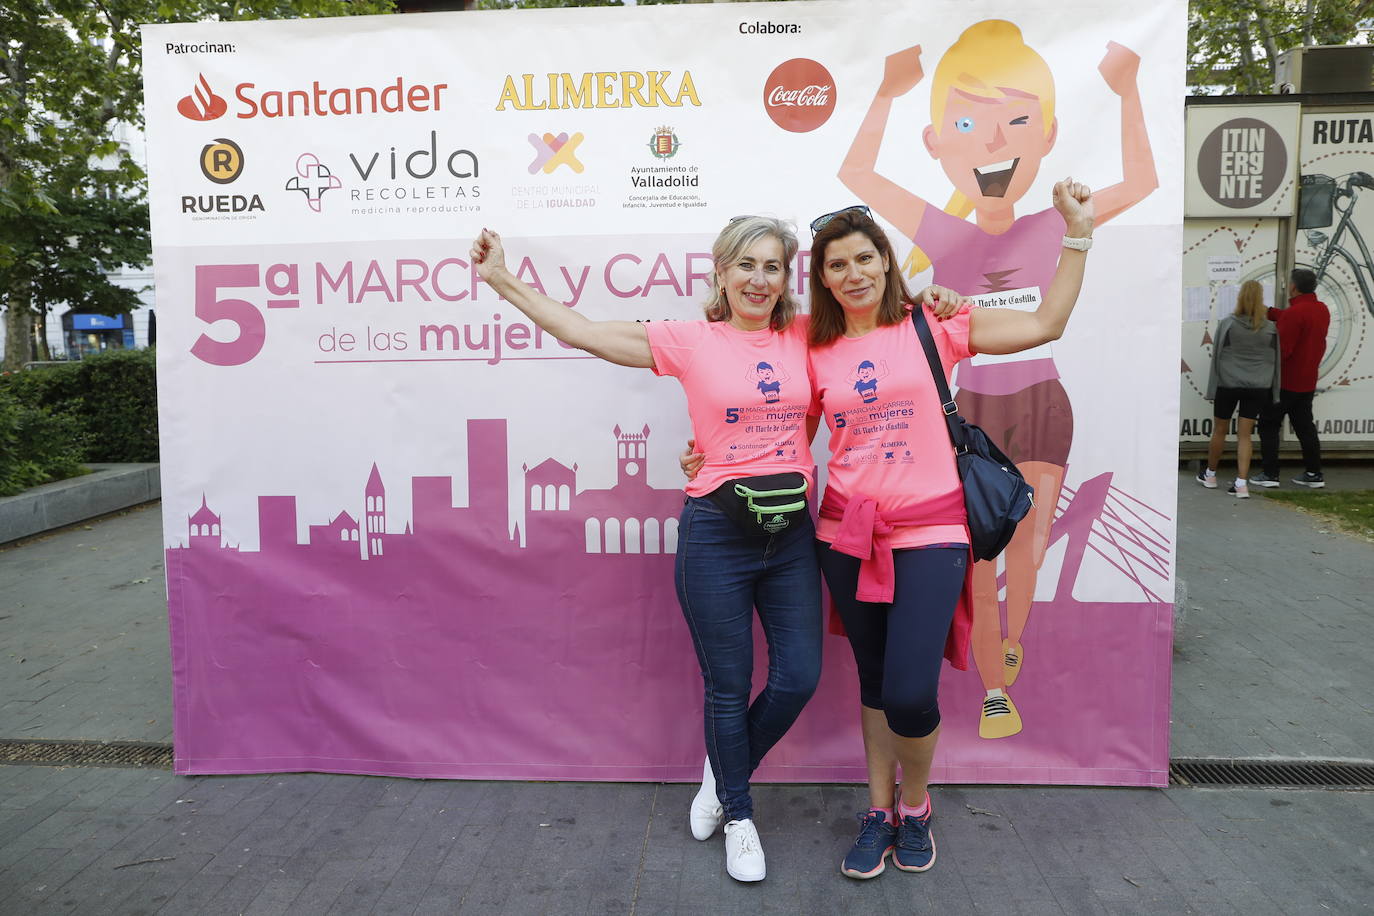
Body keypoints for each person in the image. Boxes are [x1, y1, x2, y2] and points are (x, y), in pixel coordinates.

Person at [470, 218, 823, 883]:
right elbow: (586, 333)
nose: (758, 279)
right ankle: (740, 817)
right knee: (728, 683)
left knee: (799, 676)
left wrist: (942, 305)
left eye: (772, 267)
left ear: (786, 279)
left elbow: (882, 340)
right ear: (721, 273)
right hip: (717, 534)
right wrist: (501, 279)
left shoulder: (807, 337)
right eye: (745, 265)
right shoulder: (691, 341)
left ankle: (720, 771)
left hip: (792, 536)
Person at [838, 20, 1156, 739]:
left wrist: (1130, 91)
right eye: (967, 122)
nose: (992, 142)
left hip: (1041, 403)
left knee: (1029, 548)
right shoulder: (939, 232)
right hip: (967, 410)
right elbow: (858, 180)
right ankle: (996, 685)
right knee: (977, 556)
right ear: (937, 142)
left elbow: (1141, 183)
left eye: (1016, 121)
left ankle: (1005, 654)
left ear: (1045, 134)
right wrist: (887, 93)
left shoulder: (1052, 221)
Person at [805, 180, 1093, 880]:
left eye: (864, 258)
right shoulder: (812, 348)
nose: (853, 274)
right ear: (821, 278)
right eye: (836, 264)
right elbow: (787, 436)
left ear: (886, 261)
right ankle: (879, 811)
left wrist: (1078, 234)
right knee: (874, 684)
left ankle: (919, 802)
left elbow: (1044, 324)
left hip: (932, 533)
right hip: (846, 535)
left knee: (909, 691)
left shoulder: (933, 325)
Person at [1198, 280, 1279, 498]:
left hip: (1228, 384)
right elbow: (1275, 360)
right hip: (1257, 386)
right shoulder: (1270, 328)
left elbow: (1217, 356)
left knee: (1220, 430)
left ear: (1240, 297)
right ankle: (1242, 483)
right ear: (1262, 300)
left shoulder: (1228, 324)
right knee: (1245, 435)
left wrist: (1213, 385)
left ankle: (1211, 474)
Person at [1253, 268, 1330, 489]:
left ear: (1294, 287)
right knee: (1305, 427)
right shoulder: (1321, 309)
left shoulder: (1294, 314)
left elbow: (1282, 351)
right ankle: (1314, 473)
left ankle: (1270, 473)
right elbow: (1294, 317)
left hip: (1284, 382)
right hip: (1307, 382)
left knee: (1268, 425)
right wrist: (1269, 311)